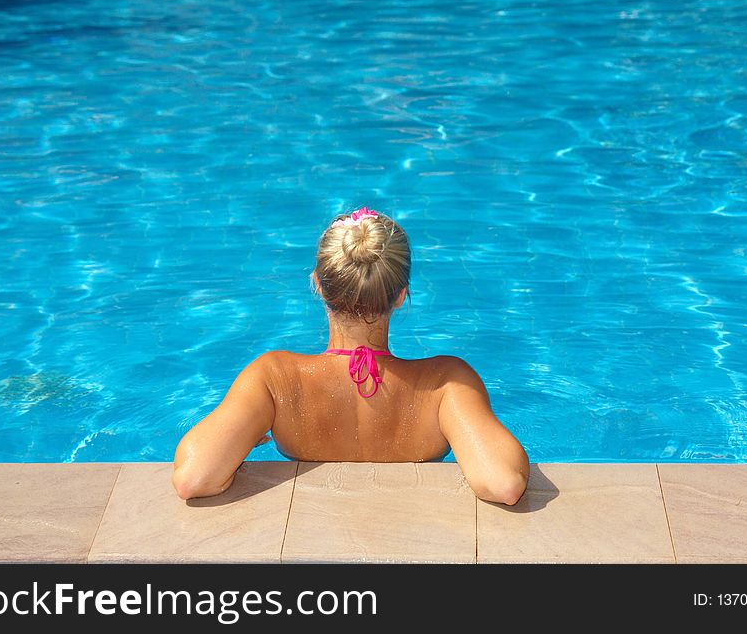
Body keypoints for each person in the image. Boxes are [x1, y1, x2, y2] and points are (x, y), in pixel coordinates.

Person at [172, 207, 529, 504]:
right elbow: (503, 483)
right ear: (401, 295)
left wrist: (246, 431)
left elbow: (194, 478)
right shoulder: (445, 384)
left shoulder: (275, 378)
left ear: (317, 284)